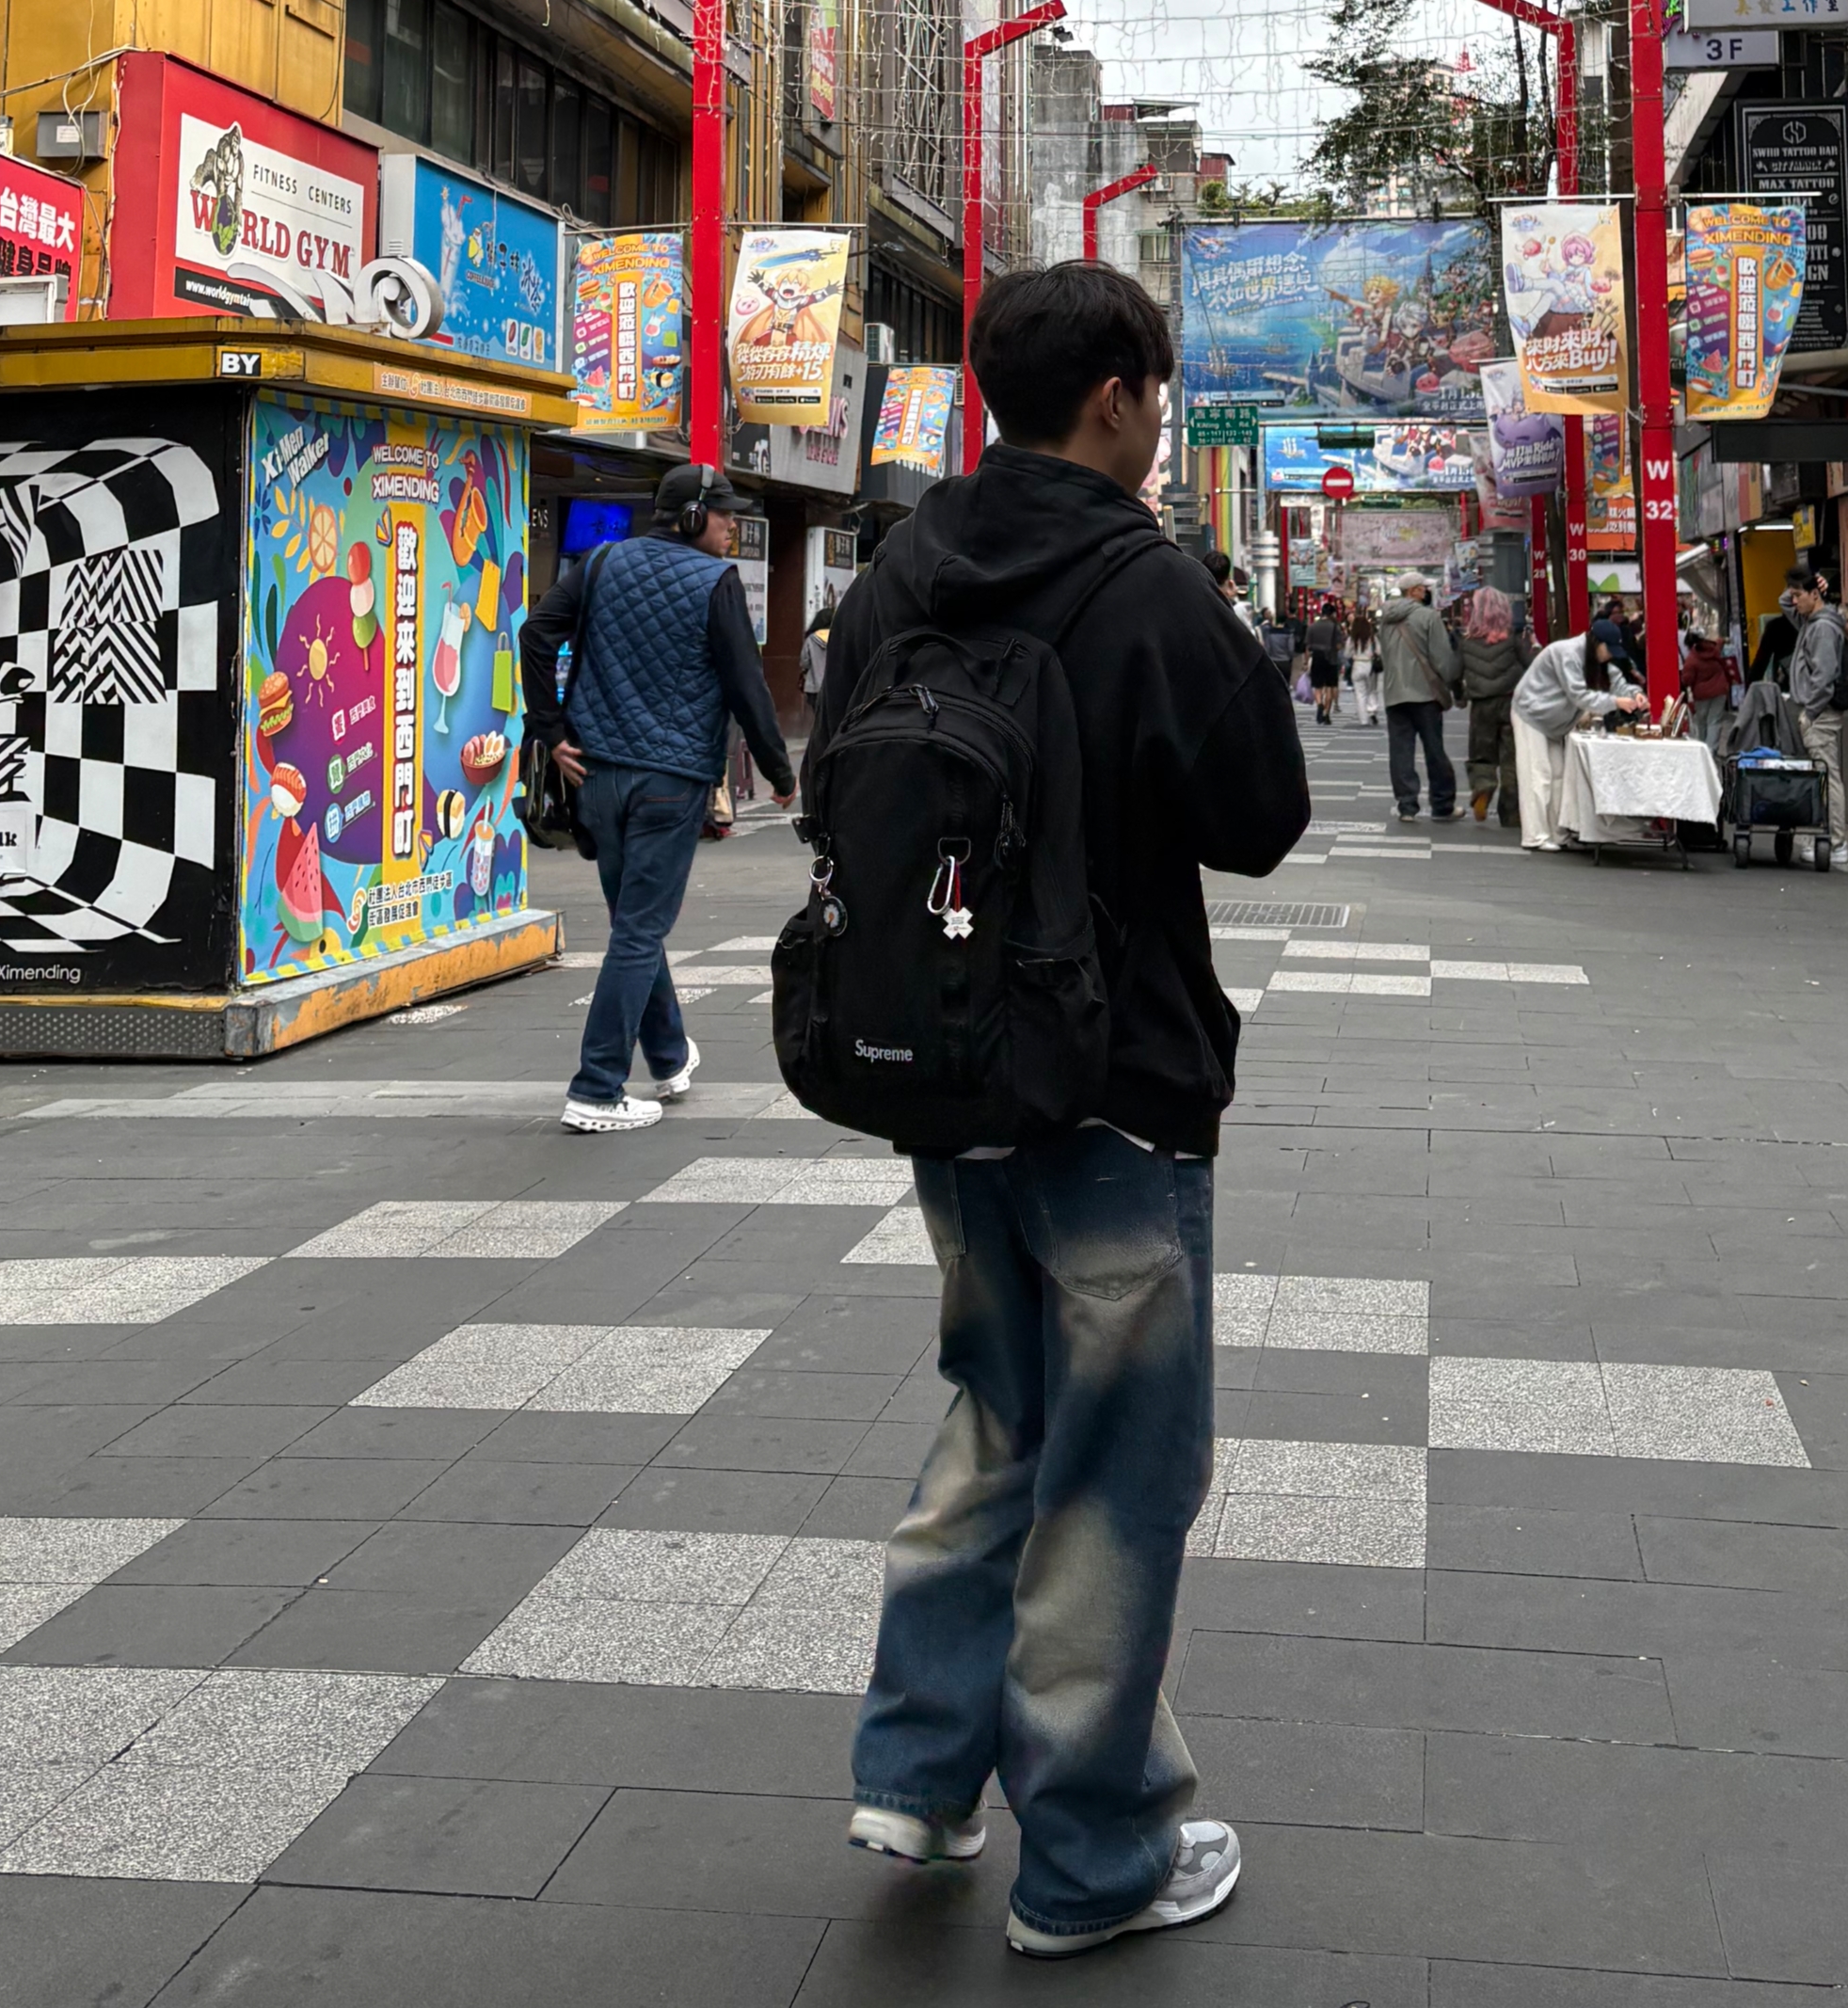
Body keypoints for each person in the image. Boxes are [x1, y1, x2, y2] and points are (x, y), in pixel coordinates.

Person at [822, 261, 1307, 1960]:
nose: (1162, 421)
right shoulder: (1142, 580)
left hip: (942, 1071)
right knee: (1113, 1466)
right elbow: (1259, 815)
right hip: (1114, 1088)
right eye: (1155, 393)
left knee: (993, 1409)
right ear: (1110, 397)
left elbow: (835, 784)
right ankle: (1092, 1858)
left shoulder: (898, 566)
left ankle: (920, 1767)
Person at [520, 464, 797, 1132]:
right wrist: (780, 775)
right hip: (668, 785)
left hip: (596, 778)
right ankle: (596, 1088)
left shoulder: (603, 563)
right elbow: (745, 686)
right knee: (641, 930)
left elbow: (536, 634)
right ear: (695, 516)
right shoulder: (715, 584)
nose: (735, 526)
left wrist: (551, 730)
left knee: (633, 926)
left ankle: (670, 1058)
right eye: (726, 514)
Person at [1510, 618, 1649, 851]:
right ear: (1597, 643)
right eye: (1608, 650)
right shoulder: (1567, 654)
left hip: (1554, 720)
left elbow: (1618, 684)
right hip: (1531, 713)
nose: (1609, 656)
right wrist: (1616, 702)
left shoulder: (1597, 659)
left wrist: (1635, 695)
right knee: (1538, 775)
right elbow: (1579, 696)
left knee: (1558, 777)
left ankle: (1557, 834)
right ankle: (1534, 835)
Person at [1377, 573, 1458, 821]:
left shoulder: (1386, 621)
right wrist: (1453, 683)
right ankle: (1442, 803)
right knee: (1434, 749)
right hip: (1425, 694)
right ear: (1412, 591)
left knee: (1400, 751)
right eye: (1422, 588)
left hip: (1394, 694)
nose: (1425, 591)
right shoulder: (1429, 617)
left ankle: (1407, 806)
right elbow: (1442, 659)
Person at [1782, 569, 1848, 865]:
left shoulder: (1822, 627)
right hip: (1815, 710)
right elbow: (1783, 602)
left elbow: (1824, 676)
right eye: (1793, 594)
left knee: (1826, 775)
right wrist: (1801, 586)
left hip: (1819, 713)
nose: (1793, 601)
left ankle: (1836, 843)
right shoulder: (1810, 620)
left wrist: (1809, 713)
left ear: (1815, 594)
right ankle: (1822, 839)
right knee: (1819, 775)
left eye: (1799, 595)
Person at [1458, 585, 1527, 823]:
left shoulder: (1466, 642)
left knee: (1481, 754)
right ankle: (1511, 811)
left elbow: (1454, 673)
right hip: (1510, 704)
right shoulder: (1514, 639)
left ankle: (1483, 787)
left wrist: (1459, 695)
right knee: (1512, 758)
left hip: (1481, 706)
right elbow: (1530, 666)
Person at [1680, 625, 1738, 745]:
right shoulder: (1715, 651)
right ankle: (1711, 749)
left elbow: (1687, 680)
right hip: (1720, 691)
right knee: (1715, 721)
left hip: (1701, 695)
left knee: (1701, 722)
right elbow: (1720, 642)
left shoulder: (1692, 660)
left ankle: (1702, 746)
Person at [1347, 607, 1382, 725]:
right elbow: (1379, 651)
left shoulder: (1352, 639)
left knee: (1360, 693)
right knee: (1372, 690)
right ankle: (1372, 710)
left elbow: (1347, 653)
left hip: (1357, 665)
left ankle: (1363, 719)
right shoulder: (1372, 638)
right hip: (1370, 665)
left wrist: (1354, 655)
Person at [800, 601, 832, 721]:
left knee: (818, 718)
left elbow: (804, 662)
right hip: (834, 686)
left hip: (814, 687)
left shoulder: (811, 640)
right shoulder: (838, 637)